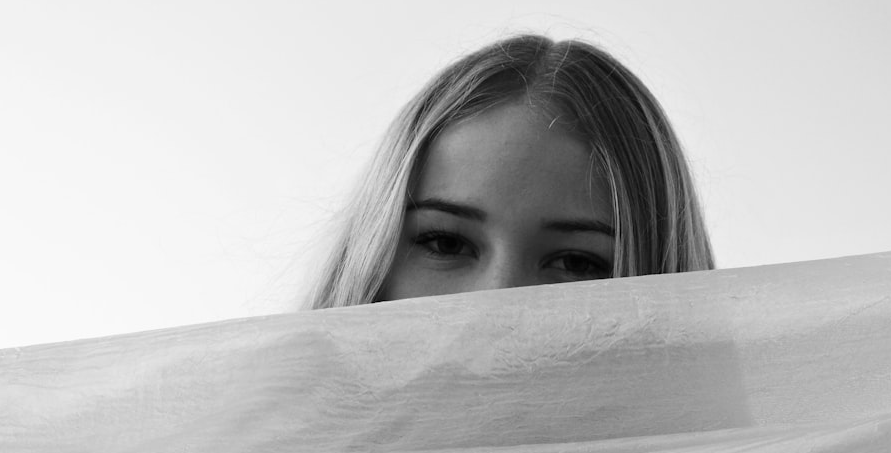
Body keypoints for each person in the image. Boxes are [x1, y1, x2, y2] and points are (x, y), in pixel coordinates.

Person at [306, 33, 714, 309]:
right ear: (369, 265)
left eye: (576, 263)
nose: (498, 302)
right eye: (445, 243)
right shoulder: (256, 434)